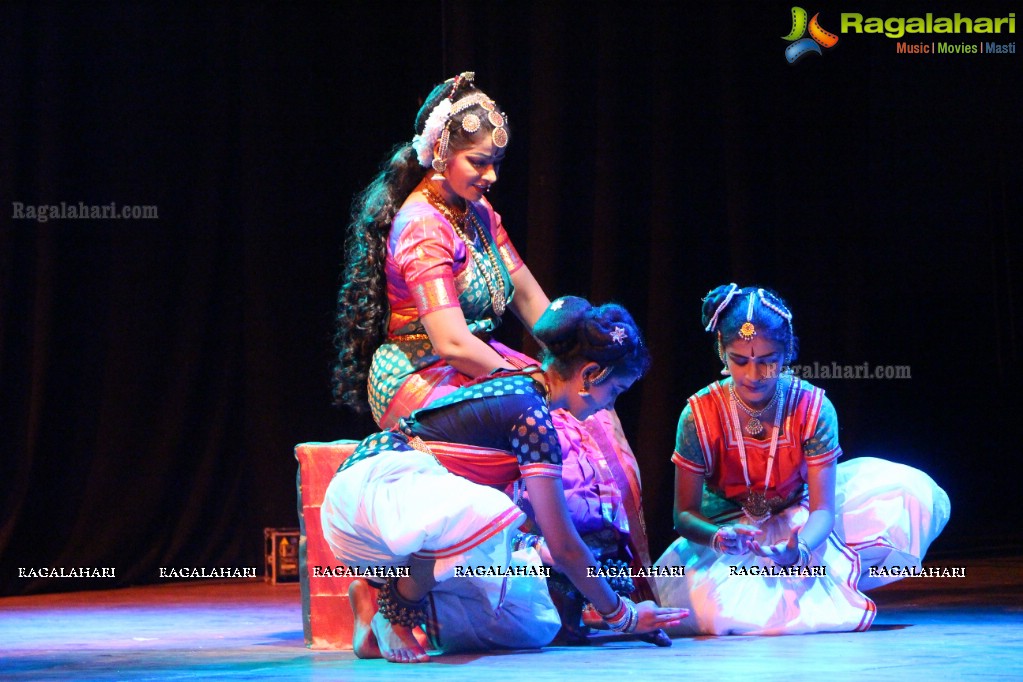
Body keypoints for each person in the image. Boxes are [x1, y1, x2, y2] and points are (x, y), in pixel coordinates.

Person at [330, 71, 657, 636]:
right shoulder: (421, 226)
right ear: (439, 153)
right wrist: (534, 380)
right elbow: (451, 342)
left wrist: (581, 348)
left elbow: (534, 301)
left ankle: (606, 587)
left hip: (480, 358)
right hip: (421, 370)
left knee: (599, 429)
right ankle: (404, 592)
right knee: (535, 427)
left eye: (496, 164)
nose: (490, 176)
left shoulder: (478, 214)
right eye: (478, 162)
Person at [321, 297, 688, 662]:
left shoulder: (525, 391)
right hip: (374, 490)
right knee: (491, 512)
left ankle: (373, 600)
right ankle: (396, 612)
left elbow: (530, 538)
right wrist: (623, 616)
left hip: (402, 520)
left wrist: (541, 553)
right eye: (615, 392)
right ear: (591, 375)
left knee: (528, 619)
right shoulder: (531, 416)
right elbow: (564, 545)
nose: (607, 406)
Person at [653, 284, 950, 635]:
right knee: (727, 613)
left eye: (768, 361)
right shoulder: (698, 415)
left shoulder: (812, 408)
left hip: (803, 519)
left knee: (909, 493)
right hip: (733, 533)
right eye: (740, 360)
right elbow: (684, 515)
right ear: (721, 350)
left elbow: (824, 510)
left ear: (787, 353)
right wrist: (720, 537)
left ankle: (826, 574)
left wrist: (801, 550)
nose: (753, 375)